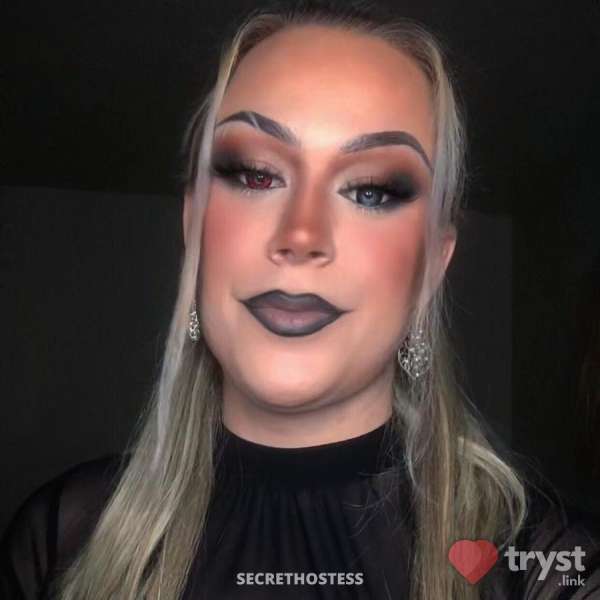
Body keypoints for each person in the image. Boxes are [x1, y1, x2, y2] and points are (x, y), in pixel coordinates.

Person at [1, 2, 599, 599]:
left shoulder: (545, 566)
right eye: (257, 175)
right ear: (194, 226)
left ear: (432, 267)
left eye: (370, 191)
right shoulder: (62, 539)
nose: (302, 233)